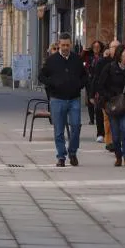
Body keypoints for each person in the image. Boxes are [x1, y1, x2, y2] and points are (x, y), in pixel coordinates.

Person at [39, 32, 87, 167]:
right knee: (59, 130)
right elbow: (41, 76)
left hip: (73, 99)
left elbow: (85, 76)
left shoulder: (76, 59)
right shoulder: (52, 60)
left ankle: (73, 152)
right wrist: (53, 83)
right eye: (63, 45)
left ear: (71, 44)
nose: (65, 47)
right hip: (57, 99)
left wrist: (79, 84)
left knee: (76, 126)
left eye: (68, 45)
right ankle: (61, 156)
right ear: (59, 45)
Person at [98, 45, 125, 168]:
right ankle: (118, 156)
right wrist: (108, 99)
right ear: (119, 55)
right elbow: (101, 85)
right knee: (115, 134)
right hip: (113, 106)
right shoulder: (110, 68)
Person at [91, 40, 121, 152]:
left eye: (118, 47)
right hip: (107, 96)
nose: (116, 49)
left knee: (119, 121)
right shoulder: (103, 62)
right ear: (109, 48)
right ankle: (109, 142)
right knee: (107, 119)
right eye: (114, 47)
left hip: (120, 97)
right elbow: (96, 78)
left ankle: (117, 140)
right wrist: (92, 94)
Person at [83, 41, 104, 128]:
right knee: (90, 99)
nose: (96, 48)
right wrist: (84, 51)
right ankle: (92, 119)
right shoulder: (89, 57)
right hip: (90, 80)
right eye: (94, 47)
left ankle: (99, 115)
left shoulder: (102, 56)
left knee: (100, 98)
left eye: (98, 47)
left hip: (100, 80)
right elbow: (81, 59)